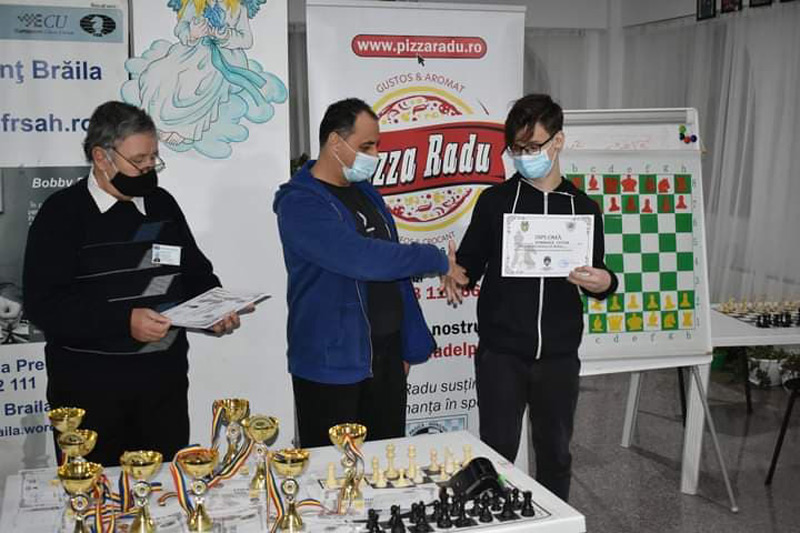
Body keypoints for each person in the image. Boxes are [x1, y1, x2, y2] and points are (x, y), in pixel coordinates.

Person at [23, 101, 243, 466]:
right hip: (89, 396)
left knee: (163, 495)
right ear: (101, 157)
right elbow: (44, 305)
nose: (148, 169)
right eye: (139, 160)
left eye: (154, 158)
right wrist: (124, 322)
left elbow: (195, 274)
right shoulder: (61, 214)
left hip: (163, 391)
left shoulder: (162, 205)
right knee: (97, 498)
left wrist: (214, 310)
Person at [448, 94, 618, 501]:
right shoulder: (495, 202)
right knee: (497, 453)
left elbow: (595, 272)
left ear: (558, 141)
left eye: (532, 147)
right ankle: (497, 521)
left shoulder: (582, 207)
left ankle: (554, 524)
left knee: (556, 455)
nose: (524, 157)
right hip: (501, 355)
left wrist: (606, 282)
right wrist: (454, 273)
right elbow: (469, 268)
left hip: (558, 356)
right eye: (516, 149)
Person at [273, 98, 467, 447]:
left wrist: (404, 345)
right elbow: (362, 258)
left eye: (376, 145)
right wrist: (434, 258)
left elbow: (394, 275)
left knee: (386, 463)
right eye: (366, 146)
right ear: (335, 142)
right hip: (332, 364)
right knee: (333, 471)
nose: (375, 154)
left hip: (385, 358)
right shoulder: (299, 203)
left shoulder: (366, 193)